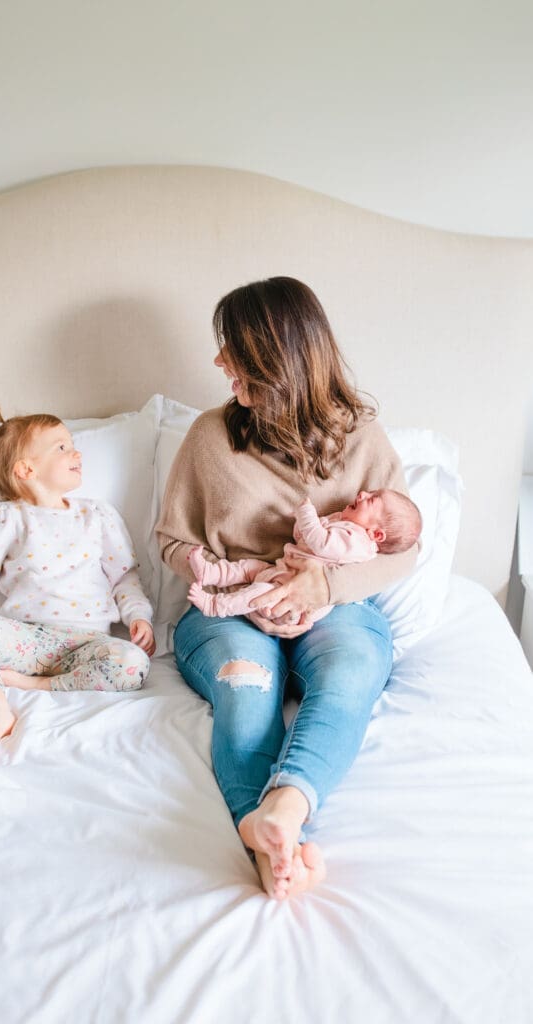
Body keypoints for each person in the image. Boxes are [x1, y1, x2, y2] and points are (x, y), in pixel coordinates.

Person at [156, 277, 418, 901]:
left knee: (351, 670)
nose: (219, 363)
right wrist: (231, 579)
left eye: (233, 350)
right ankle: (263, 833)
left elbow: (402, 552)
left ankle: (288, 806)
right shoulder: (209, 438)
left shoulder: (362, 438)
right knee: (248, 690)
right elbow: (170, 541)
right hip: (232, 610)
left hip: (334, 603)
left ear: (279, 357)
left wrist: (319, 583)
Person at [0, 407, 155, 757]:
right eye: (61, 447)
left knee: (134, 664)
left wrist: (139, 616)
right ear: (26, 470)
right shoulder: (6, 520)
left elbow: (123, 576)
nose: (76, 453)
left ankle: (35, 685)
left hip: (87, 643)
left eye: (72, 445)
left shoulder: (97, 516)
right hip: (27, 640)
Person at [188, 490, 422, 625]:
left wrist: (306, 514)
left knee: (256, 594)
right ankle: (211, 572)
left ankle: (214, 605)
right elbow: (305, 539)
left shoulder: (357, 542)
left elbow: (320, 542)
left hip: (293, 600)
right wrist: (303, 524)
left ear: (376, 534)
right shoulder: (345, 522)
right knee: (248, 568)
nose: (362, 493)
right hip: (282, 570)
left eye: (371, 500)